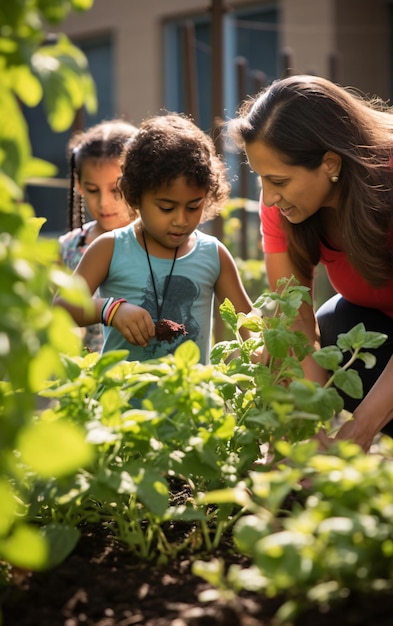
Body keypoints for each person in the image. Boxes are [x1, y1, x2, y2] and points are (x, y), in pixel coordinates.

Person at [227, 74, 393, 452]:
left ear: (330, 162)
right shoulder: (285, 209)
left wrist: (359, 431)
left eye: (279, 181)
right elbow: (296, 318)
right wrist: (308, 429)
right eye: (261, 179)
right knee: (336, 324)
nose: (268, 198)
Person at [54, 112, 253, 364]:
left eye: (193, 207)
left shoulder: (213, 254)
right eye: (166, 208)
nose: (181, 220)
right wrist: (110, 310)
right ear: (134, 196)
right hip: (121, 400)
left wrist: (264, 351)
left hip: (191, 399)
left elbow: (247, 320)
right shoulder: (109, 248)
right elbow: (62, 307)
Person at [59, 119, 138, 352]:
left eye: (115, 190)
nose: (103, 203)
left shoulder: (159, 242)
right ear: (79, 186)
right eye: (92, 190)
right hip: (85, 378)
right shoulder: (68, 247)